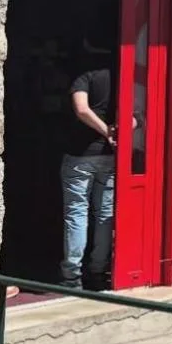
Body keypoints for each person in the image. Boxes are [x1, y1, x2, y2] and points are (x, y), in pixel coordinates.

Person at [60, 59, 116, 290]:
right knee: (104, 213)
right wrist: (116, 133)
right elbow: (138, 114)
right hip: (109, 157)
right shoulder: (118, 75)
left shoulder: (85, 75)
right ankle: (98, 272)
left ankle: (72, 276)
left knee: (77, 212)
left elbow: (81, 108)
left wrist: (105, 132)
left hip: (80, 155)